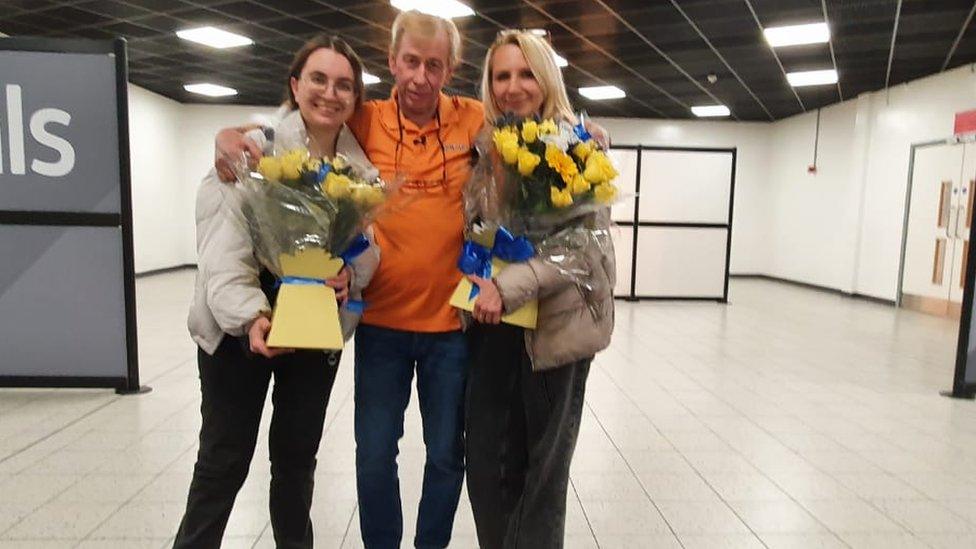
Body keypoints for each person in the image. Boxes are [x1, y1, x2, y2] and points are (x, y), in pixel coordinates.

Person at [211, 13, 609, 548]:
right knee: (375, 455)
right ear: (393, 62)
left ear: (451, 69)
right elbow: (300, 125)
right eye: (411, 62)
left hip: (452, 327)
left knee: (449, 455)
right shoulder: (364, 120)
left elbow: (547, 132)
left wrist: (594, 134)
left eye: (435, 65)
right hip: (380, 324)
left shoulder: (474, 120)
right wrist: (231, 133)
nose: (421, 76)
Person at [176, 35, 377, 549]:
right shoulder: (252, 150)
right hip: (240, 327)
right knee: (223, 460)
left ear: (355, 99)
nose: (330, 94)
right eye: (318, 79)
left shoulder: (360, 172)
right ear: (294, 84)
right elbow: (222, 248)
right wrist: (250, 318)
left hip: (313, 325)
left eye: (344, 85)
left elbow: (367, 249)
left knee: (295, 462)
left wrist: (349, 275)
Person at [462, 30, 616, 549]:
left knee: (542, 476)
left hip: (557, 330)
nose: (512, 86)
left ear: (547, 78)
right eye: (501, 75)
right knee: (488, 465)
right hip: (492, 325)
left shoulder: (580, 147)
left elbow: (584, 248)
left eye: (526, 73)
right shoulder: (486, 147)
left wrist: (509, 286)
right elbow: (480, 227)